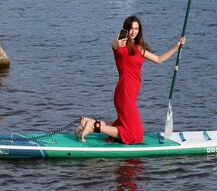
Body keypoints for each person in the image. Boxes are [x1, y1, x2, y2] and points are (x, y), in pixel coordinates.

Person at [77, 15, 186, 144]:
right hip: (125, 92)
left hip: (130, 94)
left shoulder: (139, 49)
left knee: (123, 123)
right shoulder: (120, 46)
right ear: (126, 30)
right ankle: (95, 127)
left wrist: (177, 46)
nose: (134, 31)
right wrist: (116, 43)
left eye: (136, 28)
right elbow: (114, 45)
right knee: (136, 135)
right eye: (131, 29)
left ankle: (87, 122)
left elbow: (159, 59)